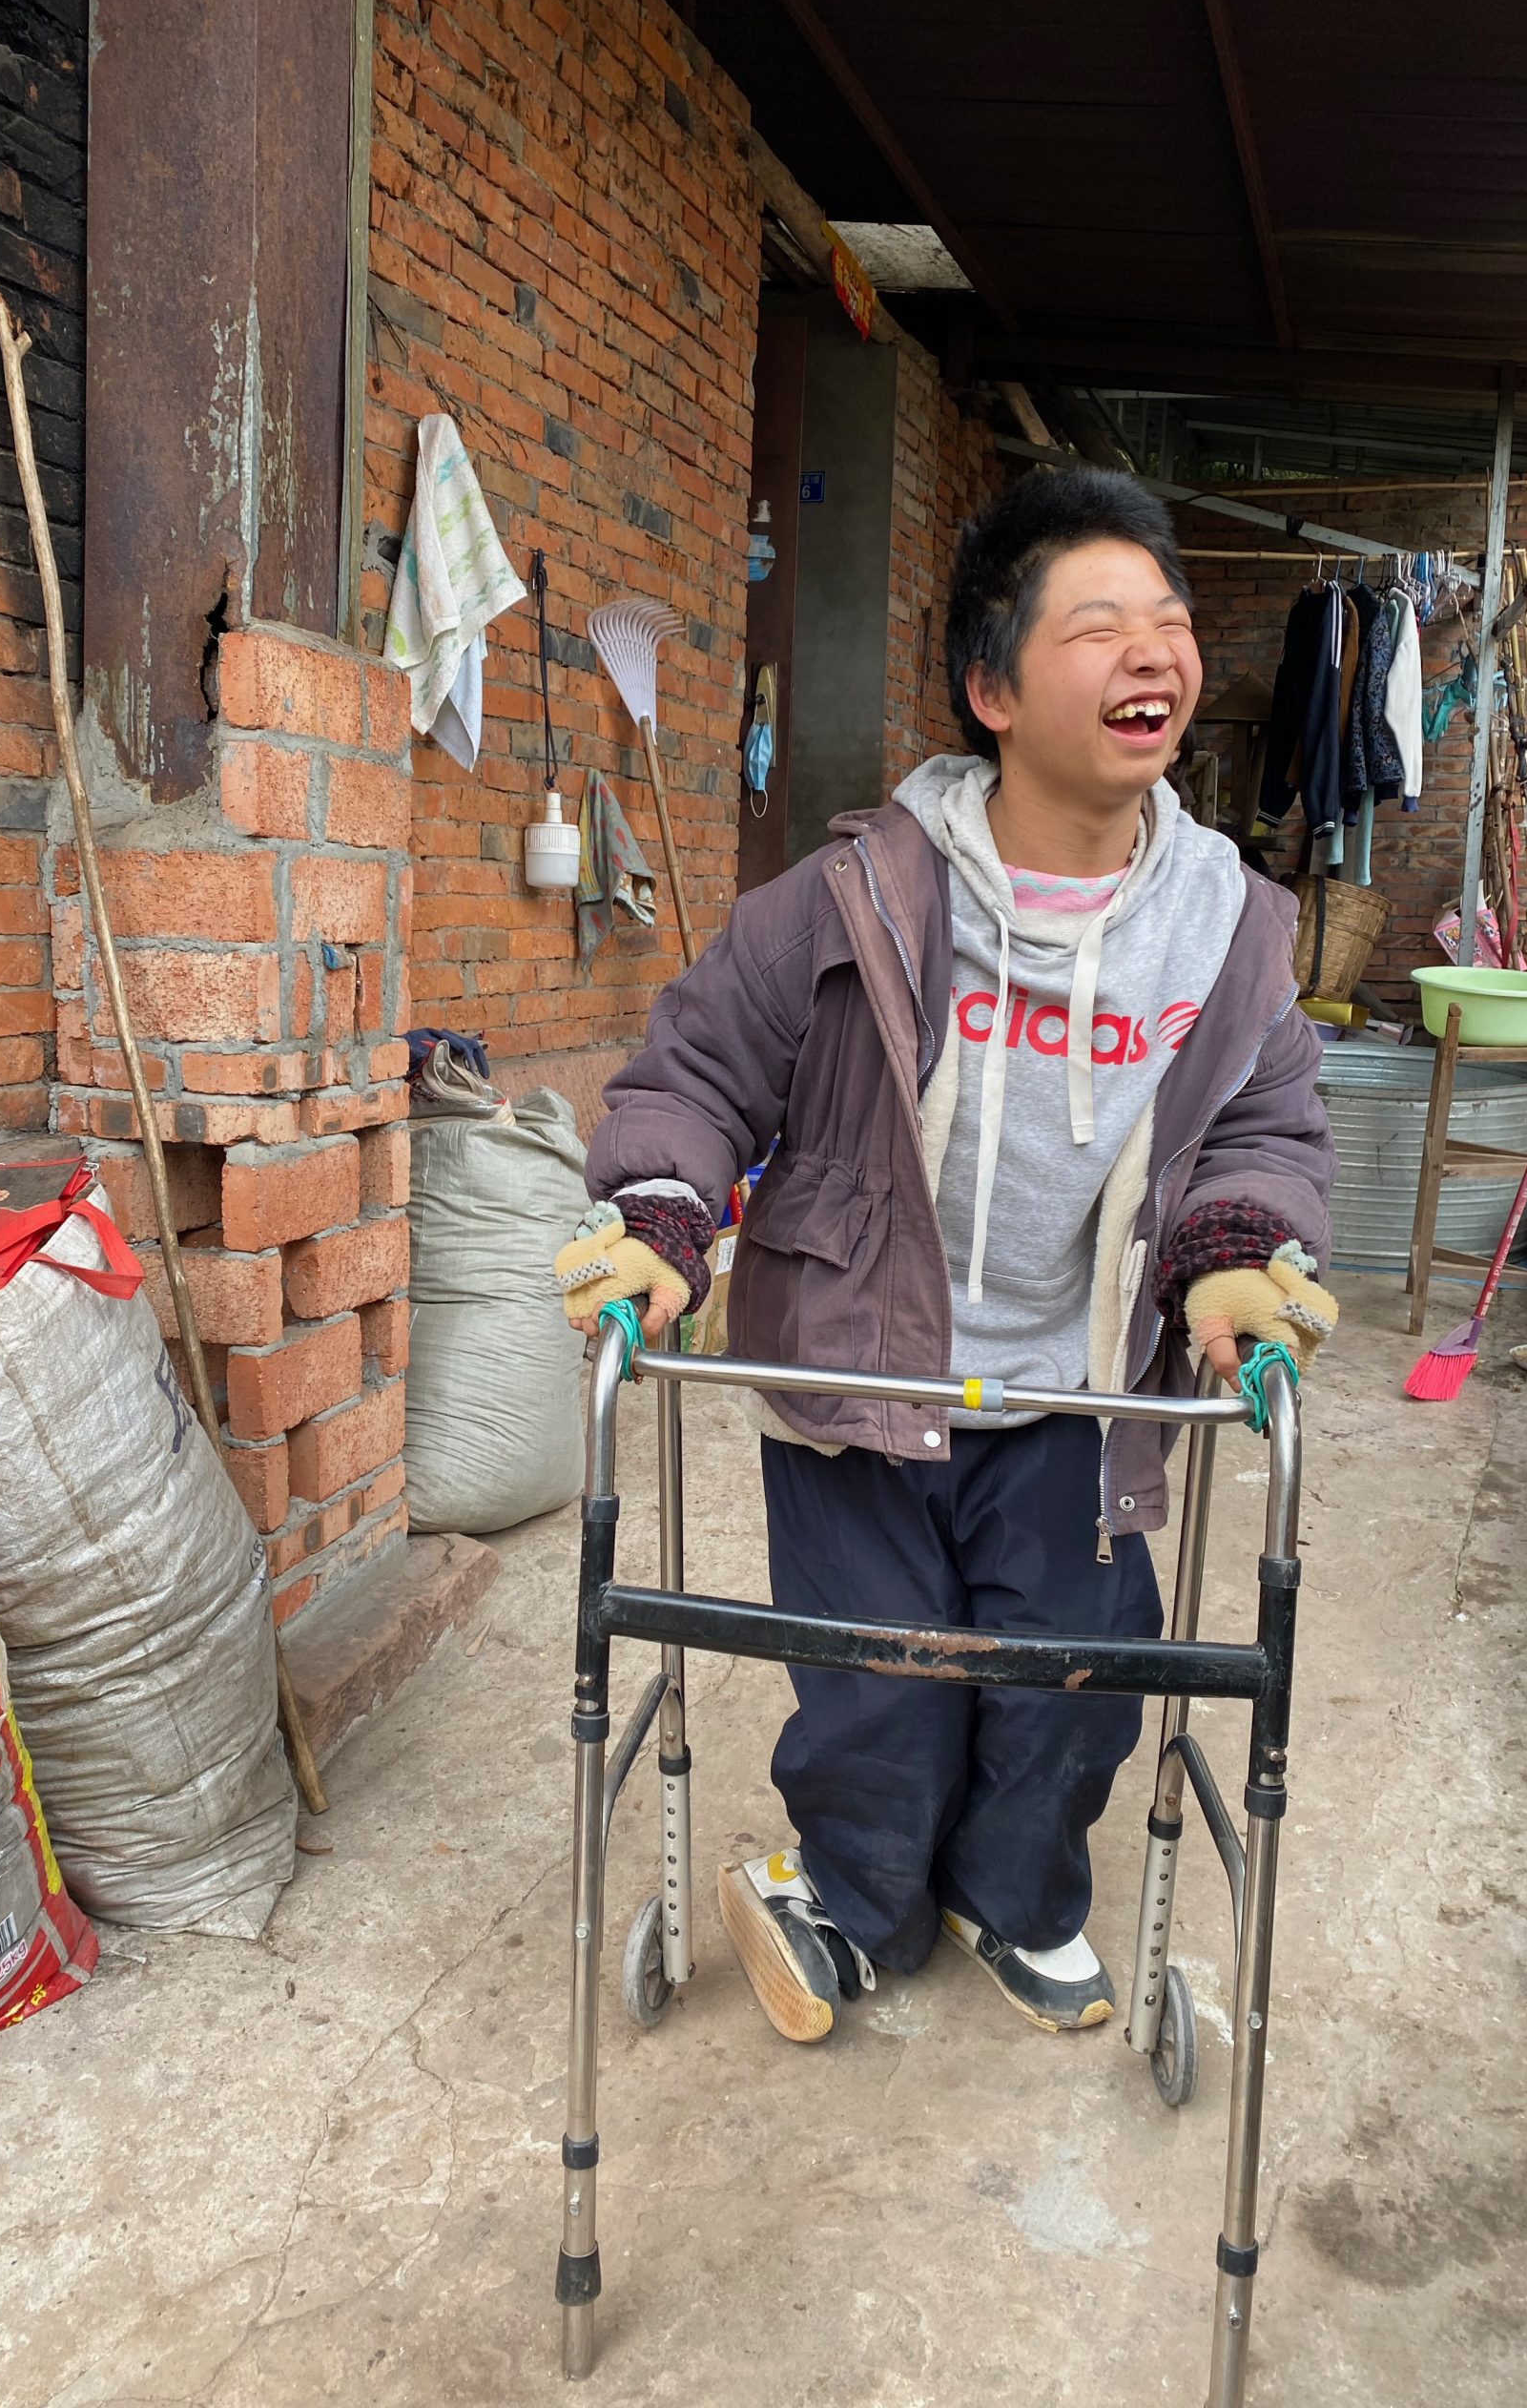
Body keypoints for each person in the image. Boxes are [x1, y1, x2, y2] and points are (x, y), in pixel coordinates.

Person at [556, 467, 1336, 2045]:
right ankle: (852, 1896)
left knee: (1070, 1692)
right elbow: (703, 1072)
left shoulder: (1230, 929)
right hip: (857, 1371)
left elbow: (1258, 1123)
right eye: (1099, 624)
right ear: (991, 687)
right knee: (879, 1695)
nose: (1154, 656)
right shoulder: (855, 895)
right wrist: (660, 1219)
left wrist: (1239, 1250)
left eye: (1170, 625)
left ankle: (1017, 1894)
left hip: (1074, 1391)